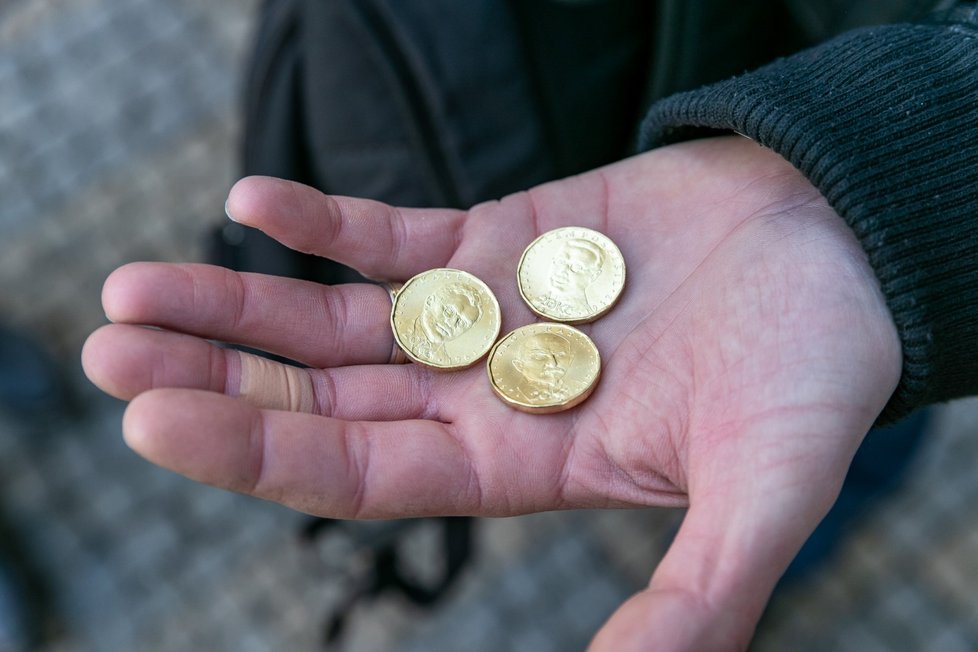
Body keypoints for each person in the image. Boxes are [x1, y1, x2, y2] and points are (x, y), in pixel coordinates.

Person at [81, 2, 978, 650]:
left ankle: (798, 549)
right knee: (817, 450)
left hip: (795, 139)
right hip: (497, 87)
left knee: (837, 447)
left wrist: (890, 169)